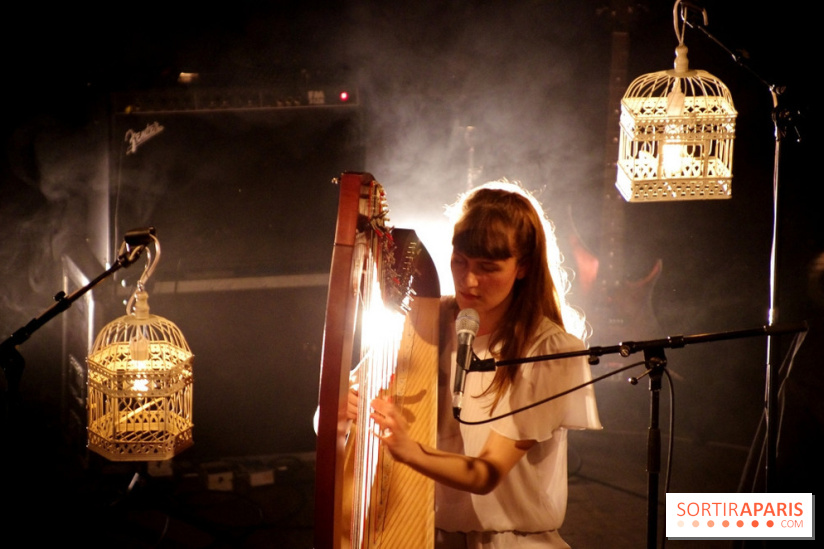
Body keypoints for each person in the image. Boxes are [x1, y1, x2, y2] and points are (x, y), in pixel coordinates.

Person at [359, 180, 602, 548]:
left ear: (522, 268)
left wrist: (410, 449)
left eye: (488, 267)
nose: (469, 281)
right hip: (427, 536)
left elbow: (485, 474)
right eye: (460, 262)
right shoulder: (424, 321)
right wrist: (347, 411)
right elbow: (329, 415)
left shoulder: (549, 351)